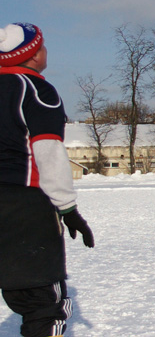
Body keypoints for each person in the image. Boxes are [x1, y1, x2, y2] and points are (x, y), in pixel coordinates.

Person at [0, 22, 95, 337]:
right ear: (30, 55)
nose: (45, 51)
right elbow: (49, 153)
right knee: (43, 304)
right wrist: (67, 208)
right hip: (23, 206)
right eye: (41, 46)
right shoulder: (36, 89)